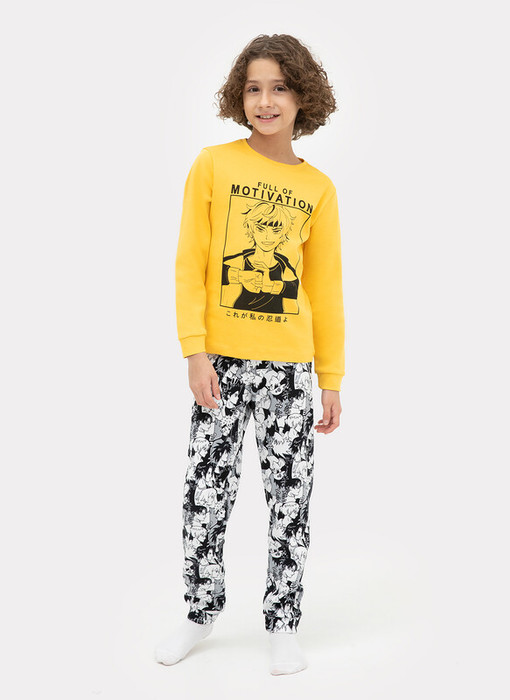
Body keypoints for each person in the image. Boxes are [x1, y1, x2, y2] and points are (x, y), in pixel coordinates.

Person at [155, 33, 345, 676]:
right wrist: (195, 350)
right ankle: (199, 610)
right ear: (240, 97)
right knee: (205, 494)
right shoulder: (213, 166)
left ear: (302, 97)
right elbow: (190, 263)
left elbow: (326, 289)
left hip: (290, 370)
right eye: (254, 88)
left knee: (290, 498)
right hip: (221, 364)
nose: (266, 101)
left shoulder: (318, 188)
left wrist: (331, 377)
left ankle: (283, 624)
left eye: (280, 88)